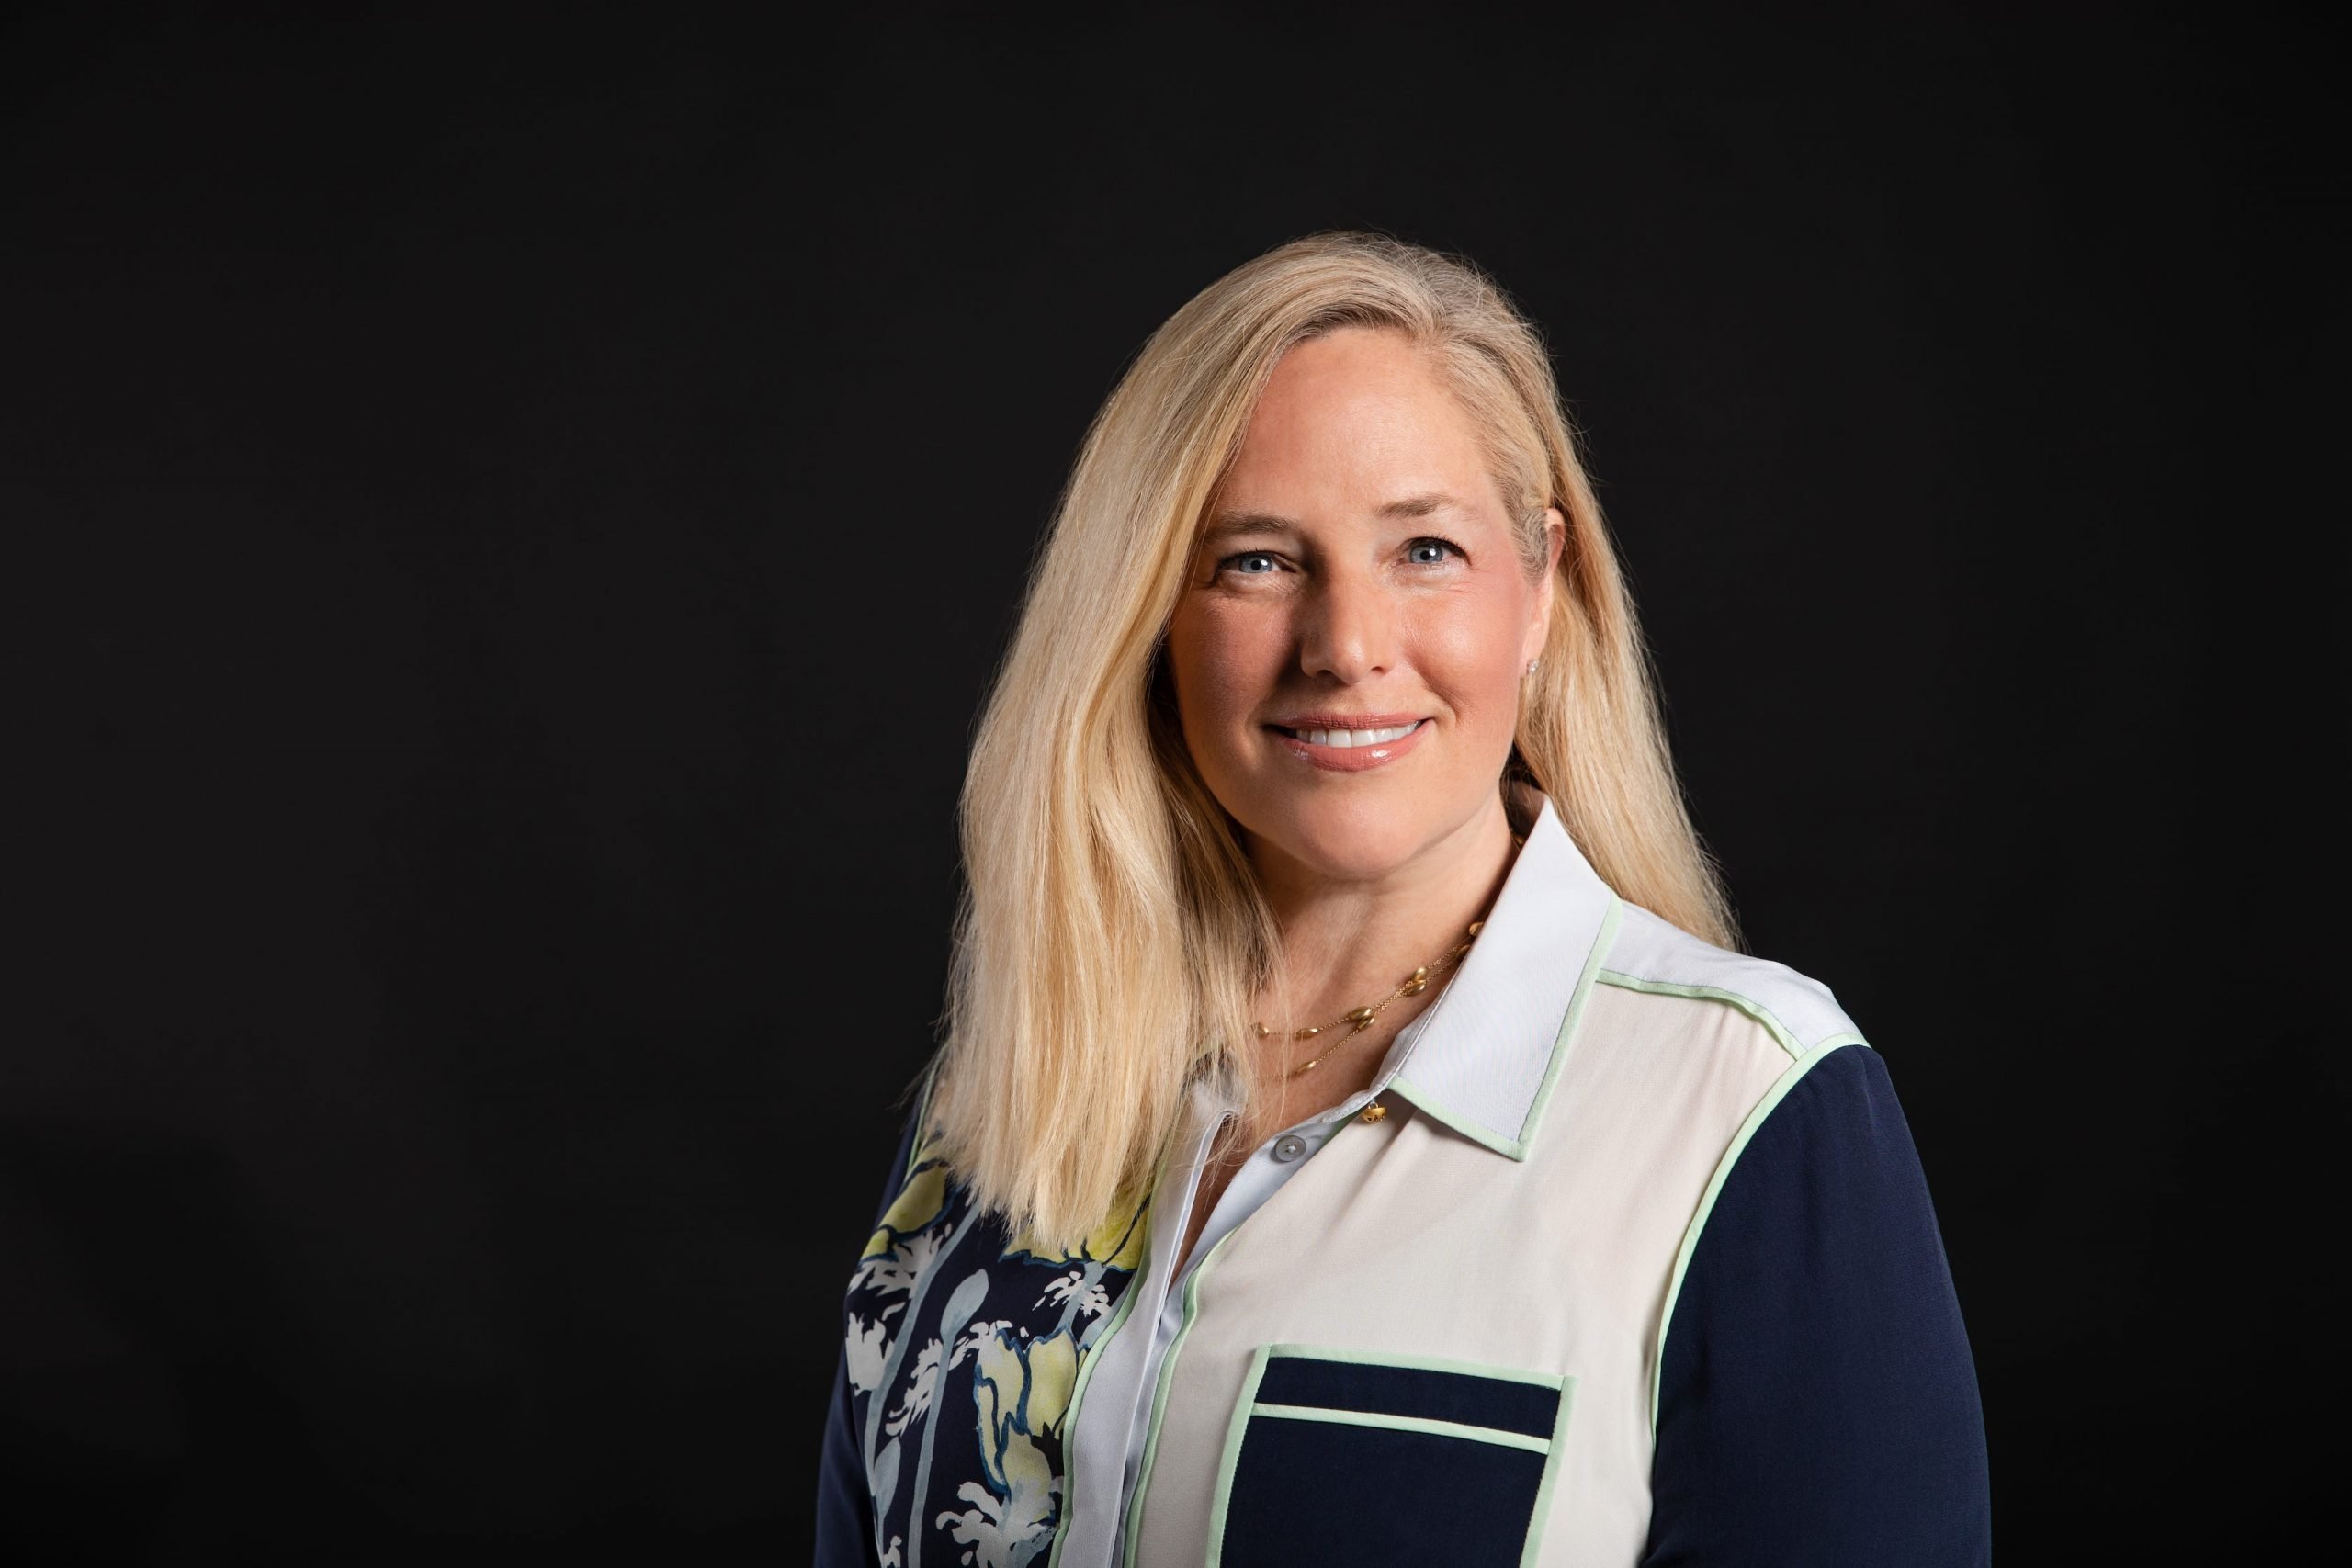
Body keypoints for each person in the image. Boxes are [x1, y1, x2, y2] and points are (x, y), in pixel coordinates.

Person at [814, 231, 1989, 1567]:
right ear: (1145, 610)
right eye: (1254, 559)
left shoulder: (1746, 1114)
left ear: (1542, 586)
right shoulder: (1003, 1103)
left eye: (1424, 549)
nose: (1348, 647)